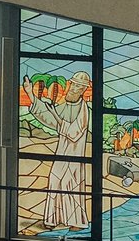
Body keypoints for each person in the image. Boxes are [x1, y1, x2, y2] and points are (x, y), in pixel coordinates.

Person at [22, 70, 91, 230]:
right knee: (54, 181)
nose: (71, 88)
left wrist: (58, 118)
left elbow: (74, 132)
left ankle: (76, 222)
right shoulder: (66, 105)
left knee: (71, 186)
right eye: (72, 85)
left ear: (82, 90)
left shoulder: (83, 110)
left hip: (75, 155)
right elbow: (50, 119)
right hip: (62, 153)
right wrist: (31, 95)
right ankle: (54, 220)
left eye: (76, 86)